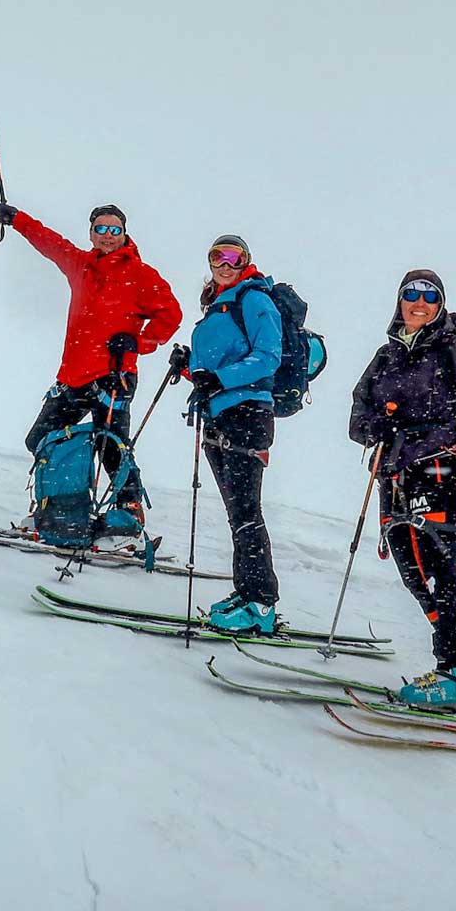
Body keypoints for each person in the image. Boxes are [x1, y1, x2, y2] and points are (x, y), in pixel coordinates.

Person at [348, 269, 456, 713]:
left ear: (440, 304)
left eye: (428, 296)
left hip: (442, 471)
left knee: (439, 566)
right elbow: (359, 411)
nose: (418, 303)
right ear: (399, 301)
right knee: (412, 567)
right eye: (410, 295)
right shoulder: (388, 354)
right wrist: (375, 426)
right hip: (395, 473)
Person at [0, 199, 182, 525]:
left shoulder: (140, 274)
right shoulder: (81, 264)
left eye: (115, 230)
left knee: (112, 447)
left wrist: (138, 342)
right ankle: (61, 507)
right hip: (73, 375)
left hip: (114, 376)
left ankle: (129, 515)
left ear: (125, 234)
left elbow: (171, 316)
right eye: (101, 229)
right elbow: (51, 243)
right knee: (41, 438)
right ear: (92, 233)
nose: (108, 235)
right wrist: (17, 219)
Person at [174, 234, 283, 633]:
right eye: (217, 255)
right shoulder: (218, 306)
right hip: (220, 415)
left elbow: (267, 357)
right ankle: (248, 591)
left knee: (245, 511)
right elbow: (213, 376)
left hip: (247, 415)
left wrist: (219, 377)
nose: (224, 261)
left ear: (246, 260)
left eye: (233, 255)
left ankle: (261, 604)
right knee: (237, 513)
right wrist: (189, 366)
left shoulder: (253, 299)